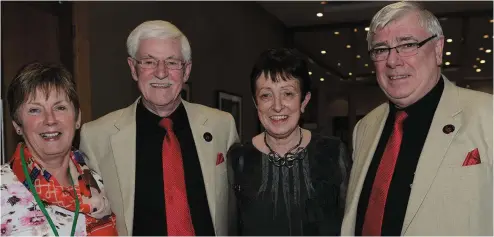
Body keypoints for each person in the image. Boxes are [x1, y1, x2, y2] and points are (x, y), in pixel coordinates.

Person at [341, 2, 493, 236]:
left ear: (438, 49)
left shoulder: (488, 115)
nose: (393, 61)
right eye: (381, 49)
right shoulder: (364, 127)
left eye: (408, 44)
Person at [79, 20, 240, 236]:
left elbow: (239, 207)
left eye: (172, 62)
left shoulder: (222, 126)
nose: (161, 73)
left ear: (187, 70)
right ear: (133, 68)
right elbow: (89, 221)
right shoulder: (96, 136)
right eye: (149, 62)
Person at [227, 48, 351, 236]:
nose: (277, 106)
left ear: (304, 100)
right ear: (256, 103)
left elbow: (351, 225)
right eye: (266, 95)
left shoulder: (333, 153)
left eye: (288, 94)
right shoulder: (238, 159)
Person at [1, 62, 118, 236]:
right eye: (35, 110)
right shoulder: (3, 188)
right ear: (18, 125)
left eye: (60, 107)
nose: (50, 119)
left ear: (77, 118)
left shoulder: (101, 184)